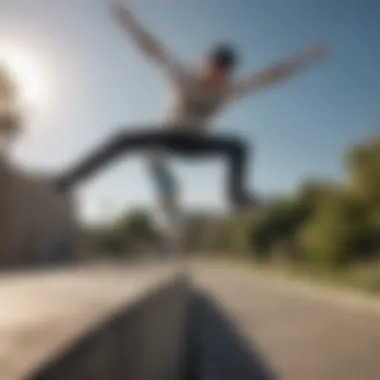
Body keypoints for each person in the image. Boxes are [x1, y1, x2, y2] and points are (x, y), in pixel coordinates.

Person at [57, 0, 327, 210]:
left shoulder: (229, 89)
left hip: (197, 143)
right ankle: (70, 179)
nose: (216, 75)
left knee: (239, 145)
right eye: (213, 67)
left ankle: (237, 197)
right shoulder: (183, 75)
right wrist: (128, 22)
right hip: (167, 136)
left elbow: (269, 77)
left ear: (228, 73)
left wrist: (305, 59)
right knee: (123, 138)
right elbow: (154, 49)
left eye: (223, 72)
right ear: (205, 62)